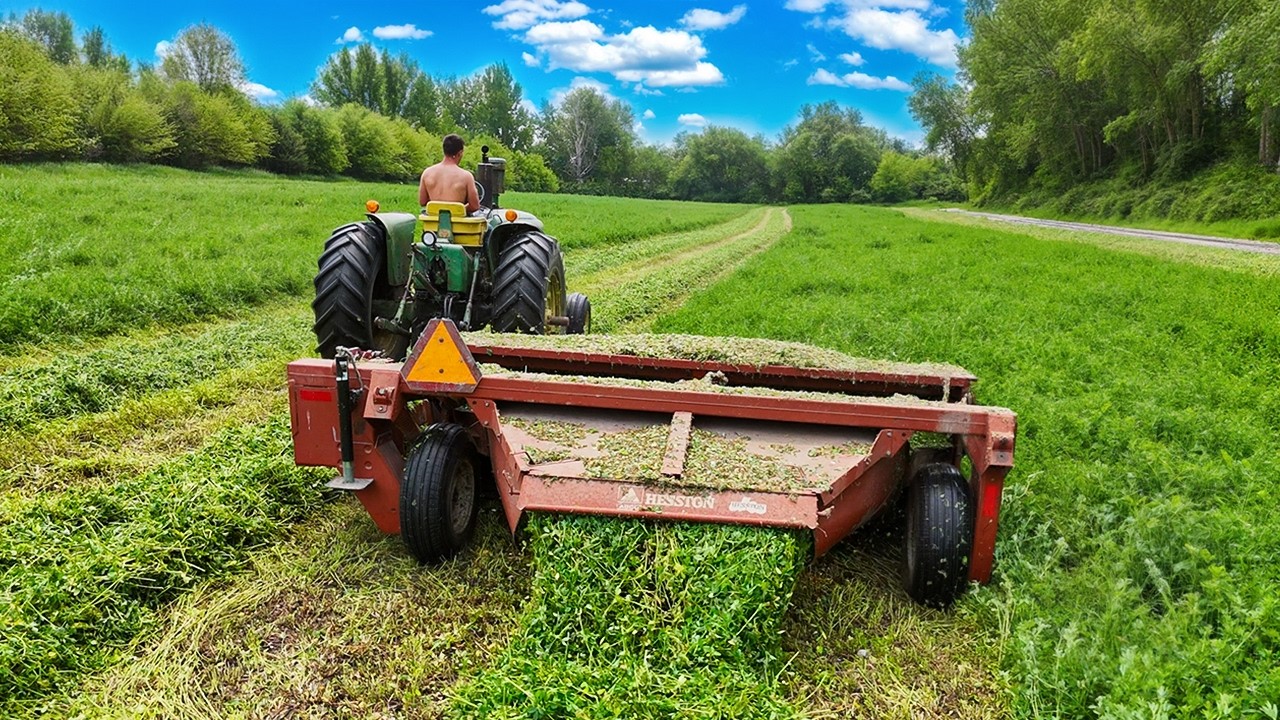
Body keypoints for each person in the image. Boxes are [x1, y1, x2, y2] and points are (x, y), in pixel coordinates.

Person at [418, 133, 481, 214]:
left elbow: (422, 202)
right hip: (458, 224)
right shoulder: (466, 176)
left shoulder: (427, 173)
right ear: (460, 153)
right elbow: (475, 206)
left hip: (433, 222)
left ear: (444, 150)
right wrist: (458, 209)